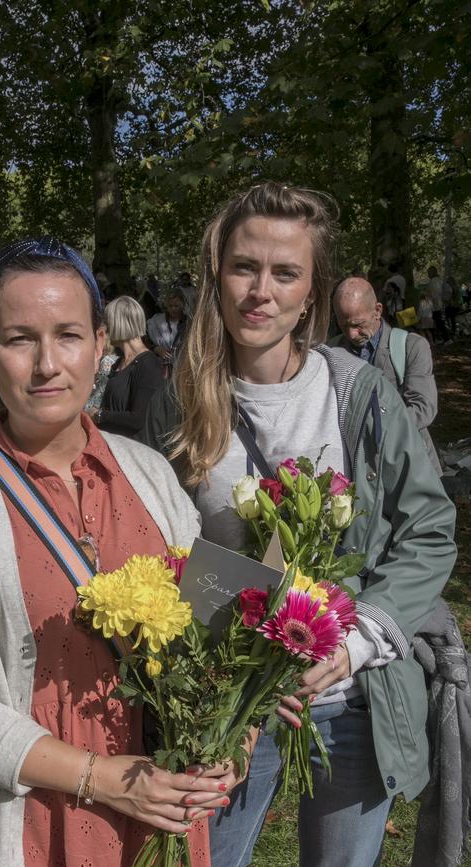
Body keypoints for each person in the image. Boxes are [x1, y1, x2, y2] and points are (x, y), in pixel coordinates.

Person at [0, 237, 248, 867]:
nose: (47, 363)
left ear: (101, 344)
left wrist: (232, 739)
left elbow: (216, 633)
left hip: (153, 812)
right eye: (20, 338)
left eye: (69, 335)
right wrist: (101, 778)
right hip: (16, 819)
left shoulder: (152, 476)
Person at [140, 182, 457, 867]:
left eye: (285, 272)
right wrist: (224, 664)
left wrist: (357, 643)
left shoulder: (361, 395)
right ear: (216, 276)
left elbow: (428, 524)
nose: (261, 290)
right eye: (244, 267)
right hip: (230, 708)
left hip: (350, 701)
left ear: (311, 292)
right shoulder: (176, 402)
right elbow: (151, 552)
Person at [331, 277, 441, 473]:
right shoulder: (330, 351)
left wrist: (371, 431)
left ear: (378, 311)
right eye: (343, 325)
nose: (351, 334)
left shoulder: (411, 347)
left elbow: (423, 408)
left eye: (358, 324)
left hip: (409, 468)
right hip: (356, 472)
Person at [90, 295, 163, 438]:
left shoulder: (148, 364)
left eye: (108, 322)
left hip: (134, 450)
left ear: (118, 323)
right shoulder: (119, 363)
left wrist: (99, 415)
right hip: (113, 444)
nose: (106, 329)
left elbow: (138, 418)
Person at [146, 287, 188, 378]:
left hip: (183, 368)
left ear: (183, 305)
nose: (173, 309)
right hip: (160, 368)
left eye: (176, 306)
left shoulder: (189, 323)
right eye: (170, 306)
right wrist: (156, 348)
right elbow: (145, 340)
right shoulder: (156, 321)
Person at [427, 266, 449, 343]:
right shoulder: (440, 280)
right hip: (439, 305)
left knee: (439, 323)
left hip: (435, 306)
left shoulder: (434, 281)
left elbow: (434, 295)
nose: (428, 274)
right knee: (439, 323)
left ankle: (446, 339)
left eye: (429, 272)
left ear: (433, 272)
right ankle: (444, 338)